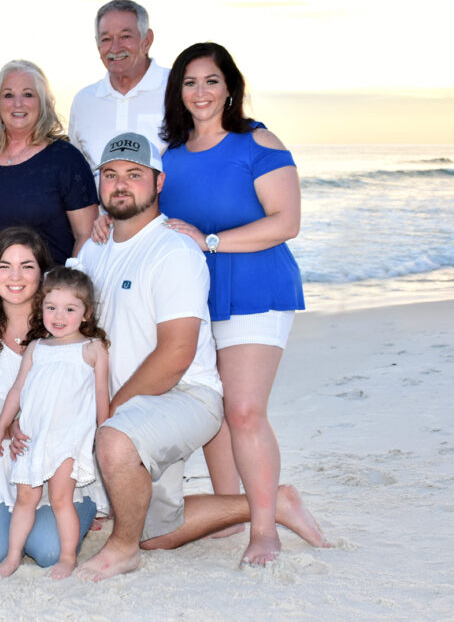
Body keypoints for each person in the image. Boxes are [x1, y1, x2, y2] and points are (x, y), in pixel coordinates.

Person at [75, 133, 329, 581]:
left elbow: (176, 354)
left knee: (113, 443)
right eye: (111, 175)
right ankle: (274, 503)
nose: (120, 185)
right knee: (156, 532)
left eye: (135, 175)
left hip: (185, 396)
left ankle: (121, 550)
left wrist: (112, 414)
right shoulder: (94, 250)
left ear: (158, 183)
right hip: (138, 407)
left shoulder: (173, 250)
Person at [158, 42, 305, 565]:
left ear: (230, 87)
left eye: (211, 80)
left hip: (255, 288)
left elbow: (285, 222)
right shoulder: (169, 158)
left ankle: (264, 531)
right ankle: (237, 509)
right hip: (196, 298)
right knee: (213, 411)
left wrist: (212, 241)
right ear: (178, 92)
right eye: (190, 82)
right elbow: (155, 222)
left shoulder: (254, 140)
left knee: (243, 412)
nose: (201, 92)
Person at [0, 227, 105, 569]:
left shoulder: (64, 328)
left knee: (48, 551)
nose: (15, 276)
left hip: (55, 455)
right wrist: (8, 429)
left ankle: (87, 507)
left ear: (43, 274)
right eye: (4, 266)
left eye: (27, 266)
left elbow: (91, 401)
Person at [0, 265, 109, 580]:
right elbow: (17, 389)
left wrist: (105, 431)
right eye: (51, 307)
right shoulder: (36, 348)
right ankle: (13, 556)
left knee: (60, 498)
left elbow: (101, 395)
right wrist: (3, 425)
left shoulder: (92, 349)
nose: (59, 316)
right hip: (32, 436)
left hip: (68, 439)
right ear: (40, 309)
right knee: (25, 498)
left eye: (70, 309)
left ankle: (67, 557)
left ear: (86, 313)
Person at [0, 60, 97, 271]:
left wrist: (63, 292)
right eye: (8, 95)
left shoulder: (66, 160)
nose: (18, 104)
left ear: (43, 102)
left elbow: (86, 236)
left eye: (28, 94)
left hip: (45, 298)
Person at [68, 0, 170, 174]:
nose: (115, 48)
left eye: (125, 36)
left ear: (147, 40)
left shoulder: (177, 87)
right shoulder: (84, 101)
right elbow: (77, 173)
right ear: (97, 44)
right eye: (106, 39)